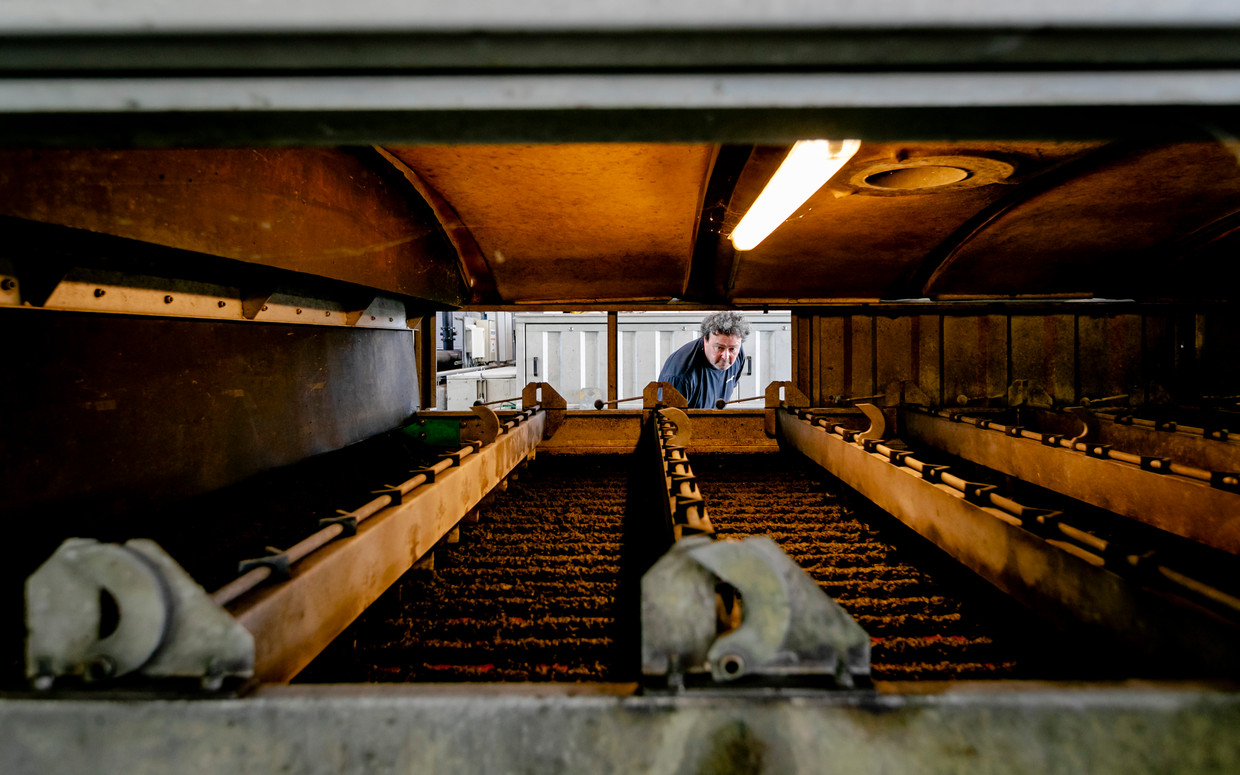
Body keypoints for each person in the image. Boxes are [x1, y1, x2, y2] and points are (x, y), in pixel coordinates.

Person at [657, 311, 750, 409]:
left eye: (732, 349)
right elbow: (666, 421)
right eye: (719, 348)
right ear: (705, 340)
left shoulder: (738, 354)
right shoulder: (679, 376)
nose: (726, 356)